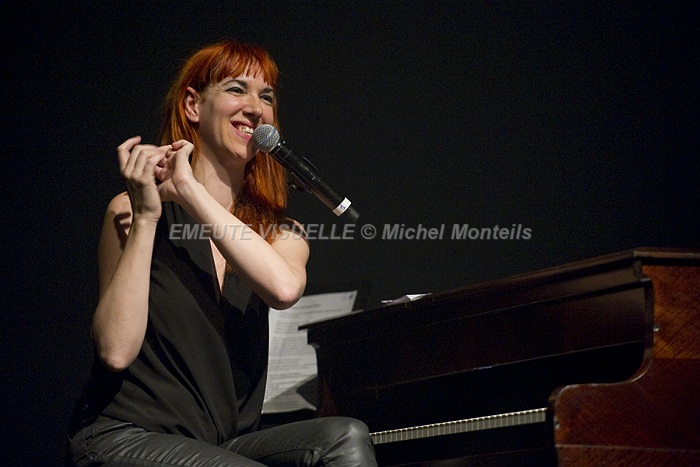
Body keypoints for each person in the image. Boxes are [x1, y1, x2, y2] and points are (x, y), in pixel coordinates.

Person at [66, 40, 377, 466]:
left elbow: (283, 289)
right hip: (124, 436)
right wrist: (147, 219)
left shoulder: (281, 232)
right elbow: (115, 351)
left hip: (219, 446)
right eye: (236, 90)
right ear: (193, 105)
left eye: (266, 97)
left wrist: (189, 192)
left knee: (344, 437)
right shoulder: (131, 211)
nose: (255, 108)